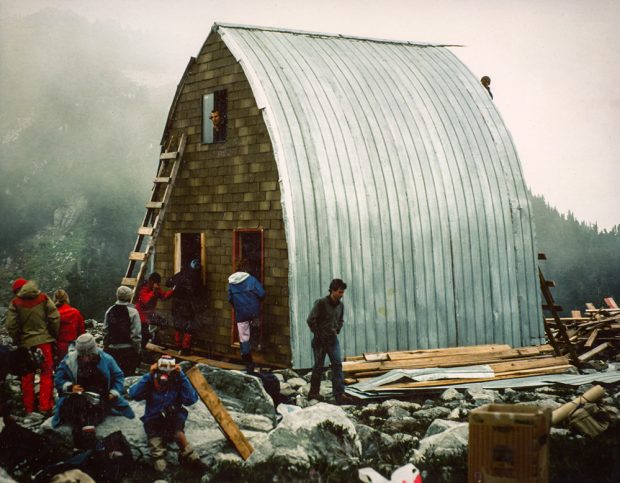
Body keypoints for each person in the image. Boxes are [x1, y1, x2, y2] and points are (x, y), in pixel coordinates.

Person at [52, 333, 135, 449]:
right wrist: (70, 387)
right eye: (82, 355)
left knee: (87, 414)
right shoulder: (69, 360)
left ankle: (83, 446)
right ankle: (85, 446)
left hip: (101, 397)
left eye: (89, 355)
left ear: (94, 351)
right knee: (79, 409)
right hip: (77, 397)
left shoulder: (106, 359)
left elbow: (119, 376)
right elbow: (58, 379)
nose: (86, 358)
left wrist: (114, 392)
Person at [128, 355, 204, 472]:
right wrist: (150, 375)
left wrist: (181, 376)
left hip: (174, 417)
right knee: (155, 443)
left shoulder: (177, 380)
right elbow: (133, 394)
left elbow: (191, 400)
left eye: (168, 371)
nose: (164, 377)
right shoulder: (151, 379)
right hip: (153, 418)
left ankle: (191, 457)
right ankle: (161, 468)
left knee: (178, 434)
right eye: (161, 371)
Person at [6, 278, 60, 415]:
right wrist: (52, 334)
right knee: (46, 373)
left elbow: (11, 325)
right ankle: (45, 406)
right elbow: (55, 318)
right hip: (44, 342)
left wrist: (18, 339)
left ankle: (29, 408)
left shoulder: (15, 302)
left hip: (25, 344)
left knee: (27, 376)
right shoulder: (43, 298)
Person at [306, 278, 354, 405]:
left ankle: (339, 394)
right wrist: (318, 333)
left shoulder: (340, 305)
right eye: (339, 292)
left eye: (343, 292)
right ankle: (313, 393)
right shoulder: (321, 303)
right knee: (318, 366)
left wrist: (337, 329)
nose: (341, 295)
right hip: (320, 341)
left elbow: (341, 320)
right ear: (332, 291)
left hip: (332, 340)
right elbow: (311, 320)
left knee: (337, 365)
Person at [228, 259, 266, 373]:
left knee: (244, 337)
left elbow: (229, 298)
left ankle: (248, 363)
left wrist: (238, 306)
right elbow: (262, 293)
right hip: (254, 310)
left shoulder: (231, 281)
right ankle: (258, 349)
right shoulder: (251, 279)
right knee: (256, 329)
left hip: (241, 313)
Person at [102, 286, 141, 376]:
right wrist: (137, 351)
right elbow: (136, 335)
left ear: (117, 295)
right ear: (129, 297)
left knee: (111, 377)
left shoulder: (109, 310)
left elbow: (105, 331)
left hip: (111, 350)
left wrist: (106, 346)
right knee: (125, 377)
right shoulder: (133, 312)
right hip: (127, 351)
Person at [167, 259, 202, 355]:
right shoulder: (195, 277)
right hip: (186, 305)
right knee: (188, 327)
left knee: (178, 326)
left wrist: (174, 287)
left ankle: (178, 346)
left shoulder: (180, 274)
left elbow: (168, 282)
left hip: (176, 304)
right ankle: (185, 349)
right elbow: (198, 291)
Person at [135, 272, 174, 350]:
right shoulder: (143, 289)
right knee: (144, 335)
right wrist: (153, 291)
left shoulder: (157, 288)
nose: (158, 284)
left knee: (164, 323)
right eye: (157, 282)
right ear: (152, 281)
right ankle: (141, 350)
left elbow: (163, 297)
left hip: (150, 315)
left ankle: (153, 335)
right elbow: (147, 302)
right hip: (141, 316)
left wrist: (172, 290)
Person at [53, 289, 85, 364]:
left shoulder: (53, 314)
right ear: (66, 298)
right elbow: (82, 332)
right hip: (74, 347)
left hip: (58, 348)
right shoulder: (75, 312)